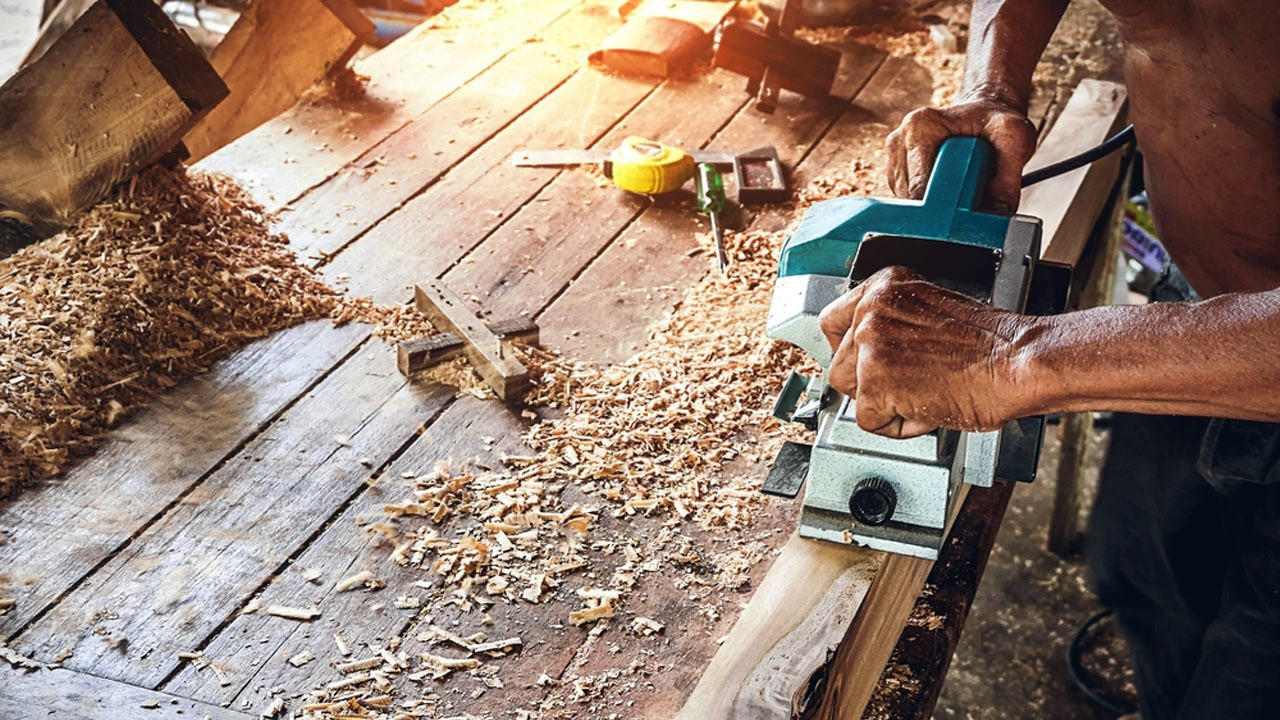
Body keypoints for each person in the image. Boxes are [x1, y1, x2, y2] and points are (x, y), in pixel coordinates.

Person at [813, 0, 1280, 717]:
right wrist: (994, 87)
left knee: (1251, 669)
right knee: (1138, 566)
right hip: (1201, 313)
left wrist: (1014, 354)